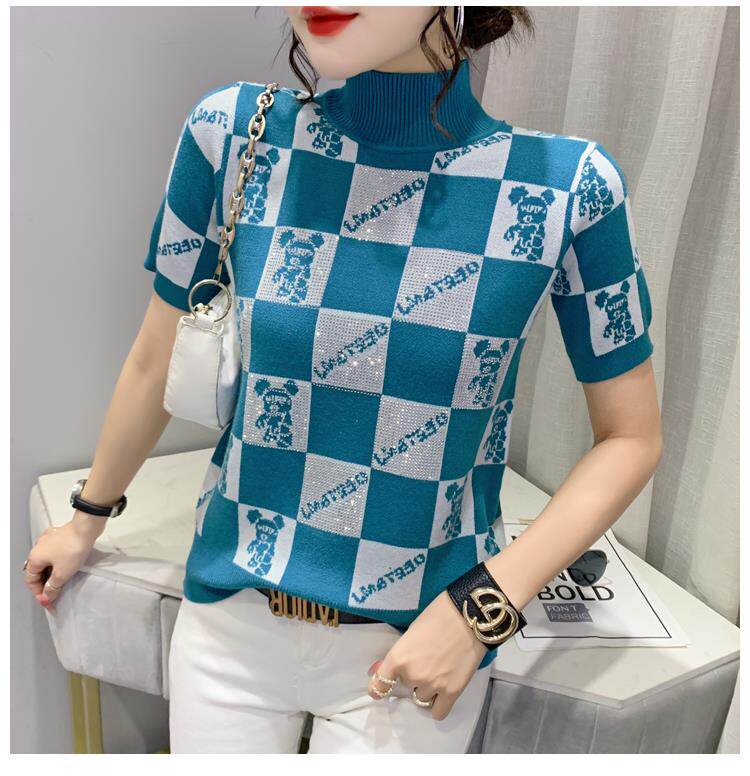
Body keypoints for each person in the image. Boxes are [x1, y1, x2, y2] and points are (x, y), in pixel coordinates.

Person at [22, 6, 662, 754]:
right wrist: (86, 519)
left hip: (416, 647)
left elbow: (632, 438)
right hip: (229, 628)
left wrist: (482, 609)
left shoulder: (567, 187)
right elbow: (155, 354)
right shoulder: (231, 134)